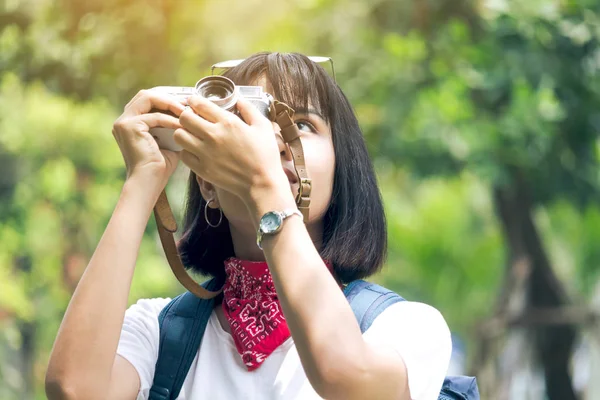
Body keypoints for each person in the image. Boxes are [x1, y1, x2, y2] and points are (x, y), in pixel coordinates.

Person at [45, 52, 452, 400]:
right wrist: (143, 179)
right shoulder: (161, 333)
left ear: (342, 169)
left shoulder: (402, 327)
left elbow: (344, 375)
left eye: (303, 124)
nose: (272, 143)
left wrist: (264, 187)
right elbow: (76, 390)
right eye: (247, 121)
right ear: (207, 183)